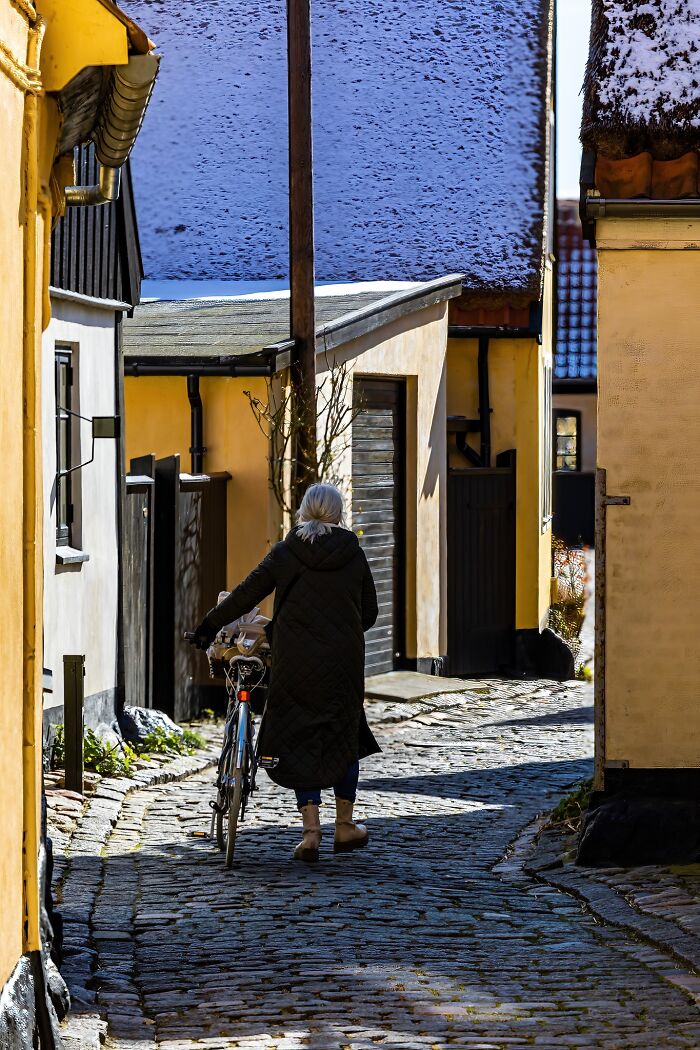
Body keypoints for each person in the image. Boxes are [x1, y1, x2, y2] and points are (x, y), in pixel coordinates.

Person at [192, 483, 380, 863]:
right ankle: (344, 826)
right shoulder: (353, 553)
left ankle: (311, 833)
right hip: (342, 663)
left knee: (298, 733)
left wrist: (209, 625)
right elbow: (370, 612)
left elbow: (247, 593)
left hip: (294, 661)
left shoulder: (286, 551)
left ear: (304, 511)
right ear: (338, 513)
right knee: (343, 732)